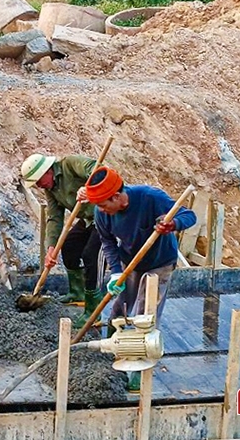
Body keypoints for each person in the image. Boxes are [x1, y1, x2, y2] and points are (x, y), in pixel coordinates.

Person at [80, 166, 196, 392]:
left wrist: (172, 224)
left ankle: (139, 368)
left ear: (116, 196)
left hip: (160, 264)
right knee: (118, 308)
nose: (102, 210)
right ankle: (112, 349)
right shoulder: (102, 213)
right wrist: (115, 272)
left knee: (145, 316)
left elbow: (189, 215)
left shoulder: (150, 198)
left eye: (104, 205)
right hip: (129, 262)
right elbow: (108, 243)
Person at [20, 153, 102, 327]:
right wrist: (51, 247)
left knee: (90, 256)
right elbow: (54, 219)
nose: (39, 185)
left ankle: (94, 310)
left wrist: (90, 189)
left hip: (105, 213)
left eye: (38, 180)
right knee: (69, 247)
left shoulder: (70, 165)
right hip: (87, 218)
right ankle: (78, 292)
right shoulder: (51, 190)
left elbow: (100, 170)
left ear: (47, 171)